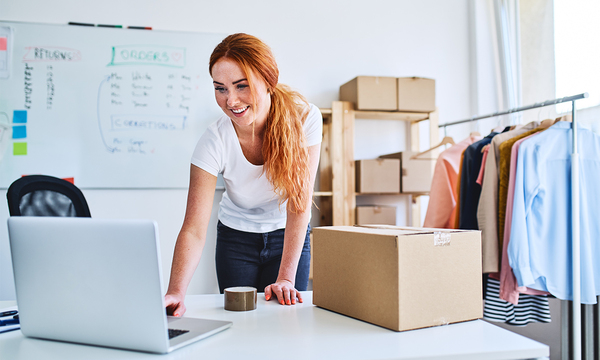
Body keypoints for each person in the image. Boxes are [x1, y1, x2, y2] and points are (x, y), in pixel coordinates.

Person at [164, 33, 322, 316]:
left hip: (287, 235)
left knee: (285, 322)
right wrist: (176, 291)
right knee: (239, 322)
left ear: (268, 80)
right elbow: (193, 229)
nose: (231, 100)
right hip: (235, 239)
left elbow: (299, 204)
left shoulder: (304, 118)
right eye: (220, 88)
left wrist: (286, 277)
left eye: (241, 86)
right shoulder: (214, 140)